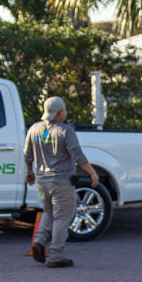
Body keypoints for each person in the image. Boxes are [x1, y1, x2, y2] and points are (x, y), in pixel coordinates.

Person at [24, 96, 99, 268]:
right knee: (62, 217)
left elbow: (27, 154)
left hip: (42, 181)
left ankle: (40, 242)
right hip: (61, 182)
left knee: (49, 212)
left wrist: (29, 171)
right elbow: (77, 155)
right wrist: (92, 173)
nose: (65, 112)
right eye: (64, 110)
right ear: (59, 113)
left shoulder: (34, 129)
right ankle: (56, 255)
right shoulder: (65, 131)